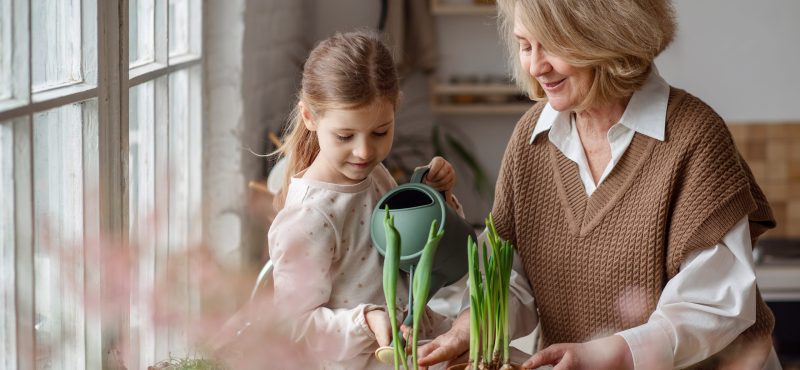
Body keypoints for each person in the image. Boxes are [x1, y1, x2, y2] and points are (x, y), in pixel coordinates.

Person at [417, 1, 782, 369]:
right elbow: (511, 278)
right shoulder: (532, 138)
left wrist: (614, 353)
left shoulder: (693, 137)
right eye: (526, 46)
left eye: (554, 46)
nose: (535, 66)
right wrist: (472, 326)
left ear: (607, 36)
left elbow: (715, 304)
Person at [268, 31, 458, 369]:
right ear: (311, 117)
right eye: (345, 136)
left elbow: (406, 254)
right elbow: (293, 327)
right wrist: (366, 320)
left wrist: (433, 197)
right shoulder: (309, 216)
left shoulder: (375, 174)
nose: (365, 151)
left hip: (409, 349)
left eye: (380, 132)